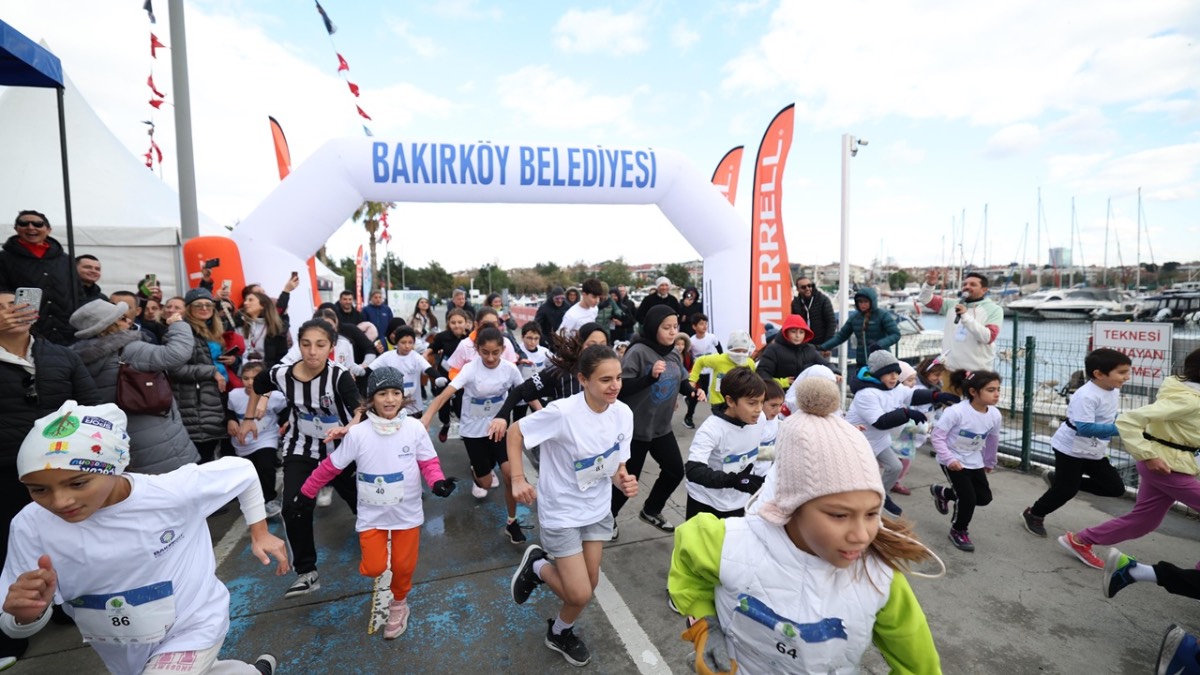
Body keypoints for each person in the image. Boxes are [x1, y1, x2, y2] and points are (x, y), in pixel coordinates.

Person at [668, 376, 940, 674]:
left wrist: (763, 472)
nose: (861, 536)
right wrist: (705, 623)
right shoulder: (726, 542)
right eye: (839, 515)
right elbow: (690, 563)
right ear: (792, 506)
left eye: (872, 513)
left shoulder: (880, 577)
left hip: (747, 497)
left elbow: (920, 666)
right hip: (717, 500)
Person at [0, 402, 286, 675]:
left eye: (78, 483)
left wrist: (259, 532)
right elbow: (13, 623)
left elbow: (243, 471)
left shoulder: (171, 492)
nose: (60, 501)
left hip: (194, 625)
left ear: (114, 465)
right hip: (119, 649)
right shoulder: (30, 525)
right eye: (38, 490)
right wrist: (26, 616)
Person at [292, 368, 457, 640]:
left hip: (407, 514)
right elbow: (330, 467)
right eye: (382, 393)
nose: (390, 399)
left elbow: (428, 462)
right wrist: (306, 492)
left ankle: (399, 604)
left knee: (403, 568)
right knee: (374, 567)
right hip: (372, 516)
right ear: (371, 399)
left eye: (395, 393)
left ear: (403, 397)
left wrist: (437, 482)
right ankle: (387, 579)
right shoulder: (359, 434)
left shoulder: (414, 428)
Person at [507, 345, 638, 667]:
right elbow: (515, 431)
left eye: (619, 378)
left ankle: (559, 631)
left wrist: (624, 480)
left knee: (588, 585)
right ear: (583, 379)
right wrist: (518, 479)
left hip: (596, 509)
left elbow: (617, 465)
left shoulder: (623, 413)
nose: (615, 386)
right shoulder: (563, 413)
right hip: (562, 510)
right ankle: (538, 565)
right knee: (578, 593)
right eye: (606, 379)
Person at [0, 289, 99, 668]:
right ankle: (10, 628)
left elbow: (92, 409)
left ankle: (64, 604)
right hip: (7, 471)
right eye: (3, 309)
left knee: (67, 535)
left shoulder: (61, 355)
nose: (12, 312)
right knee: (7, 544)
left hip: (65, 469)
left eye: (16, 304)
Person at [238, 319, 362, 598]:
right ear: (298, 345)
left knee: (360, 501)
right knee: (293, 506)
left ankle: (378, 537)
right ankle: (307, 571)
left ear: (331, 347)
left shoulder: (338, 376)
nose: (312, 352)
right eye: (306, 344)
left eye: (320, 345)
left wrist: (348, 428)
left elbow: (359, 410)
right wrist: (248, 417)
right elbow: (258, 385)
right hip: (301, 447)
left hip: (341, 451)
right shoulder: (282, 374)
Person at [1060, 347, 1200, 570]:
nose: (1127, 376)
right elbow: (1127, 421)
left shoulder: (1187, 394)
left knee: (1143, 522)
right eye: (1122, 372)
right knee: (1138, 517)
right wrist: (1149, 456)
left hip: (1171, 462)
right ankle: (1194, 581)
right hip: (1166, 466)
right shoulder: (1189, 400)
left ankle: (1080, 540)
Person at [69, 298, 200, 475]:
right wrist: (177, 325)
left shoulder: (79, 357)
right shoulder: (129, 350)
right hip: (159, 439)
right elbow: (177, 353)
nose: (129, 320)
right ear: (108, 326)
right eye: (122, 318)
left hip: (123, 439)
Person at [422, 327, 527, 541]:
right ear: (477, 349)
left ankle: (512, 522)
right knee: (486, 484)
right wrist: (426, 418)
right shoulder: (470, 369)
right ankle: (477, 474)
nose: (490, 357)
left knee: (509, 474)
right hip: (473, 432)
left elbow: (526, 392)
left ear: (502, 349)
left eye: (495, 352)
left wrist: (545, 414)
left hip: (499, 430)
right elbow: (444, 396)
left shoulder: (510, 369)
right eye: (485, 352)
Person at [610, 305, 703, 537]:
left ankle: (651, 510)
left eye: (675, 327)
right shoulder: (638, 351)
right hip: (635, 429)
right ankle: (607, 518)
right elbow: (621, 388)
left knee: (674, 471)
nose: (673, 332)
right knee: (627, 481)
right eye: (666, 327)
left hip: (661, 428)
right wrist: (649, 377)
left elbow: (681, 379)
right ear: (653, 327)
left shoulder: (673, 352)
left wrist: (692, 392)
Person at [1021, 348, 1132, 538]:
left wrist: (1123, 422)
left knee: (1114, 487)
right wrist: (1123, 428)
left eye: (1128, 372)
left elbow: (1108, 416)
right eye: (1122, 372)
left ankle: (1059, 480)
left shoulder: (1112, 390)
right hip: (1070, 448)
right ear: (1098, 374)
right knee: (1066, 490)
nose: (1127, 377)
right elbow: (1085, 428)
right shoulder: (1087, 395)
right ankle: (1034, 514)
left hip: (1094, 448)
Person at [846, 351, 950, 519]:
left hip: (878, 441)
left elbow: (912, 395)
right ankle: (857, 509)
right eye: (889, 373)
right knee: (860, 479)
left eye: (896, 373)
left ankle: (882, 496)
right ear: (878, 374)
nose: (894, 377)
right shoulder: (866, 394)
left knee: (895, 467)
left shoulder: (894, 387)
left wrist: (937, 395)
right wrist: (906, 413)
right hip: (858, 443)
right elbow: (880, 422)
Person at [929, 369, 1003, 552]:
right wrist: (949, 459)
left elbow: (993, 440)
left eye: (998, 389)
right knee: (967, 498)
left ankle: (943, 493)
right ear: (973, 392)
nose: (997, 394)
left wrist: (989, 462)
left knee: (984, 498)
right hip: (953, 459)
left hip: (974, 460)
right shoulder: (956, 412)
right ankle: (958, 530)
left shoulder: (995, 415)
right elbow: (937, 437)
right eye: (991, 390)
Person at [684, 367, 766, 520]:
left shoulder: (760, 419)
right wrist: (736, 480)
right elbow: (693, 470)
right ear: (730, 401)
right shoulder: (711, 429)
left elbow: (756, 451)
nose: (759, 409)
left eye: (762, 402)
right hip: (705, 502)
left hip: (739, 502)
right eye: (752, 403)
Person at [0, 211, 80, 344]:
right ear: (16, 229)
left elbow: (78, 292)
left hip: (67, 331)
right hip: (25, 330)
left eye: (37, 224)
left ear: (48, 229)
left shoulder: (65, 259)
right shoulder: (3, 259)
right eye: (24, 223)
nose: (31, 227)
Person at [169, 288, 229, 464]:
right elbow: (175, 369)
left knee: (215, 457)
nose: (204, 308)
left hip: (217, 399)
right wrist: (212, 371)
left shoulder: (214, 330)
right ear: (188, 308)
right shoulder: (181, 331)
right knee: (201, 459)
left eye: (208, 304)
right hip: (195, 405)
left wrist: (232, 360)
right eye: (198, 305)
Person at [918, 270, 1004, 390]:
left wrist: (965, 316)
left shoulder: (994, 309)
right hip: (951, 371)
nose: (967, 287)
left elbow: (988, 337)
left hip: (977, 373)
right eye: (965, 284)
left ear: (984, 290)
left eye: (973, 285)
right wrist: (930, 284)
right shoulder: (952, 304)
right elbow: (925, 299)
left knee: (974, 408)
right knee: (949, 406)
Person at [226, 361, 287, 518]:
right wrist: (231, 420)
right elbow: (229, 412)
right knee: (251, 473)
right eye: (246, 378)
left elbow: (284, 412)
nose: (250, 382)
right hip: (243, 441)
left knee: (266, 466)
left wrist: (286, 423)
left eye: (255, 378)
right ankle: (253, 503)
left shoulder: (276, 397)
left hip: (267, 437)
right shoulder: (234, 395)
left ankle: (269, 500)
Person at [817, 288, 901, 370]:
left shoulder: (882, 315)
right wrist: (822, 347)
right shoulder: (854, 317)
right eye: (860, 302)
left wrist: (880, 344)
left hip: (881, 361)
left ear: (872, 302)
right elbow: (841, 336)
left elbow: (895, 334)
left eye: (865, 301)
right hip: (862, 362)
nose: (862, 304)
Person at [366, 326, 439, 417]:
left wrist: (439, 377)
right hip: (393, 406)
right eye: (403, 342)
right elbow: (370, 370)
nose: (407, 346)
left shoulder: (416, 357)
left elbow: (428, 369)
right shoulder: (387, 356)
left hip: (414, 406)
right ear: (396, 342)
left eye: (410, 342)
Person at [425, 308, 472, 443]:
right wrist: (424, 355)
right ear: (448, 323)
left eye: (460, 322)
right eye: (453, 323)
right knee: (443, 409)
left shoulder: (470, 338)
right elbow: (432, 347)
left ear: (466, 322)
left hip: (462, 378)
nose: (457, 325)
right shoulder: (442, 337)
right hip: (444, 376)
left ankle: (466, 431)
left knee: (460, 408)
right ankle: (446, 424)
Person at [689, 330, 755, 414]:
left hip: (738, 403)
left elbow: (754, 382)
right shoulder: (719, 360)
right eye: (737, 351)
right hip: (718, 401)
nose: (740, 354)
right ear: (730, 349)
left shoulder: (750, 363)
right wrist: (693, 380)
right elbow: (700, 361)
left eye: (743, 351)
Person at [757, 314, 833, 387]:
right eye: (793, 331)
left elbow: (826, 364)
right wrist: (782, 383)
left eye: (801, 332)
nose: (797, 336)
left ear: (806, 334)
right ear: (785, 332)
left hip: (805, 395)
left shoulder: (810, 349)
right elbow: (762, 374)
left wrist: (834, 372)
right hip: (780, 396)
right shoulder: (773, 349)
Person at [684, 313, 721, 429]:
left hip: (708, 371)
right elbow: (687, 356)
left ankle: (688, 398)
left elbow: (719, 348)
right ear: (694, 327)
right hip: (697, 371)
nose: (704, 326)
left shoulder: (711, 337)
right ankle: (688, 417)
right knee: (696, 394)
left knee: (703, 392)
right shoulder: (691, 341)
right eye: (701, 324)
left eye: (705, 323)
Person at [238, 291, 289, 368]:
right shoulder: (240, 324)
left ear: (263, 305)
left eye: (250, 300)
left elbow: (282, 356)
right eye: (245, 300)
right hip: (245, 371)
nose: (245, 303)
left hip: (268, 372)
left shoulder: (277, 327)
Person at [790, 275, 836, 348]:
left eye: (809, 286)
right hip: (802, 346)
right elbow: (793, 325)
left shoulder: (823, 300)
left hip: (821, 345)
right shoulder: (795, 303)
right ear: (798, 289)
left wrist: (827, 345)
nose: (807, 289)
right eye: (803, 287)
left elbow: (831, 323)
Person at [753, 378, 786, 476]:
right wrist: (780, 452)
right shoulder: (753, 423)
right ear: (760, 402)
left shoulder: (775, 419)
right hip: (751, 475)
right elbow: (749, 453)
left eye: (780, 405)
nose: (778, 410)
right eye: (773, 405)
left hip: (766, 473)